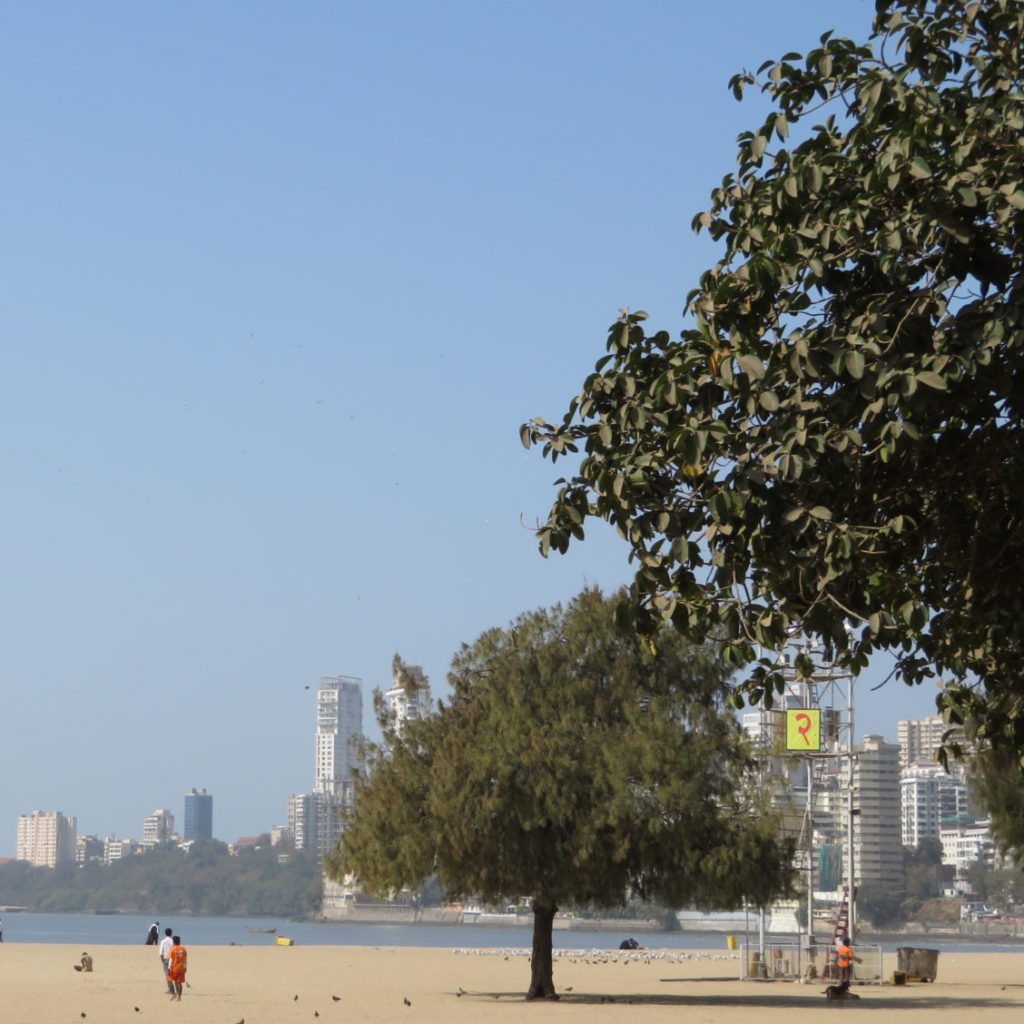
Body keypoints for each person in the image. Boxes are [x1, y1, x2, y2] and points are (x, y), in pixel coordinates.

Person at [167, 935, 187, 1001]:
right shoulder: (183, 949)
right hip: (181, 968)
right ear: (179, 941)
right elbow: (185, 959)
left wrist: (169, 967)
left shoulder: (172, 949)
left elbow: (171, 960)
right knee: (179, 983)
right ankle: (179, 996)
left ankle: (174, 994)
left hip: (174, 968)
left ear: (173, 942)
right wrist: (185, 967)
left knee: (170, 981)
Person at [158, 927, 175, 993]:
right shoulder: (173, 941)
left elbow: (161, 953)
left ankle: (171, 989)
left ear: (165, 933)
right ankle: (175, 988)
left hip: (166, 959)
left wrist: (163, 961)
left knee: (168, 975)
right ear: (171, 933)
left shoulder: (163, 941)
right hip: (173, 959)